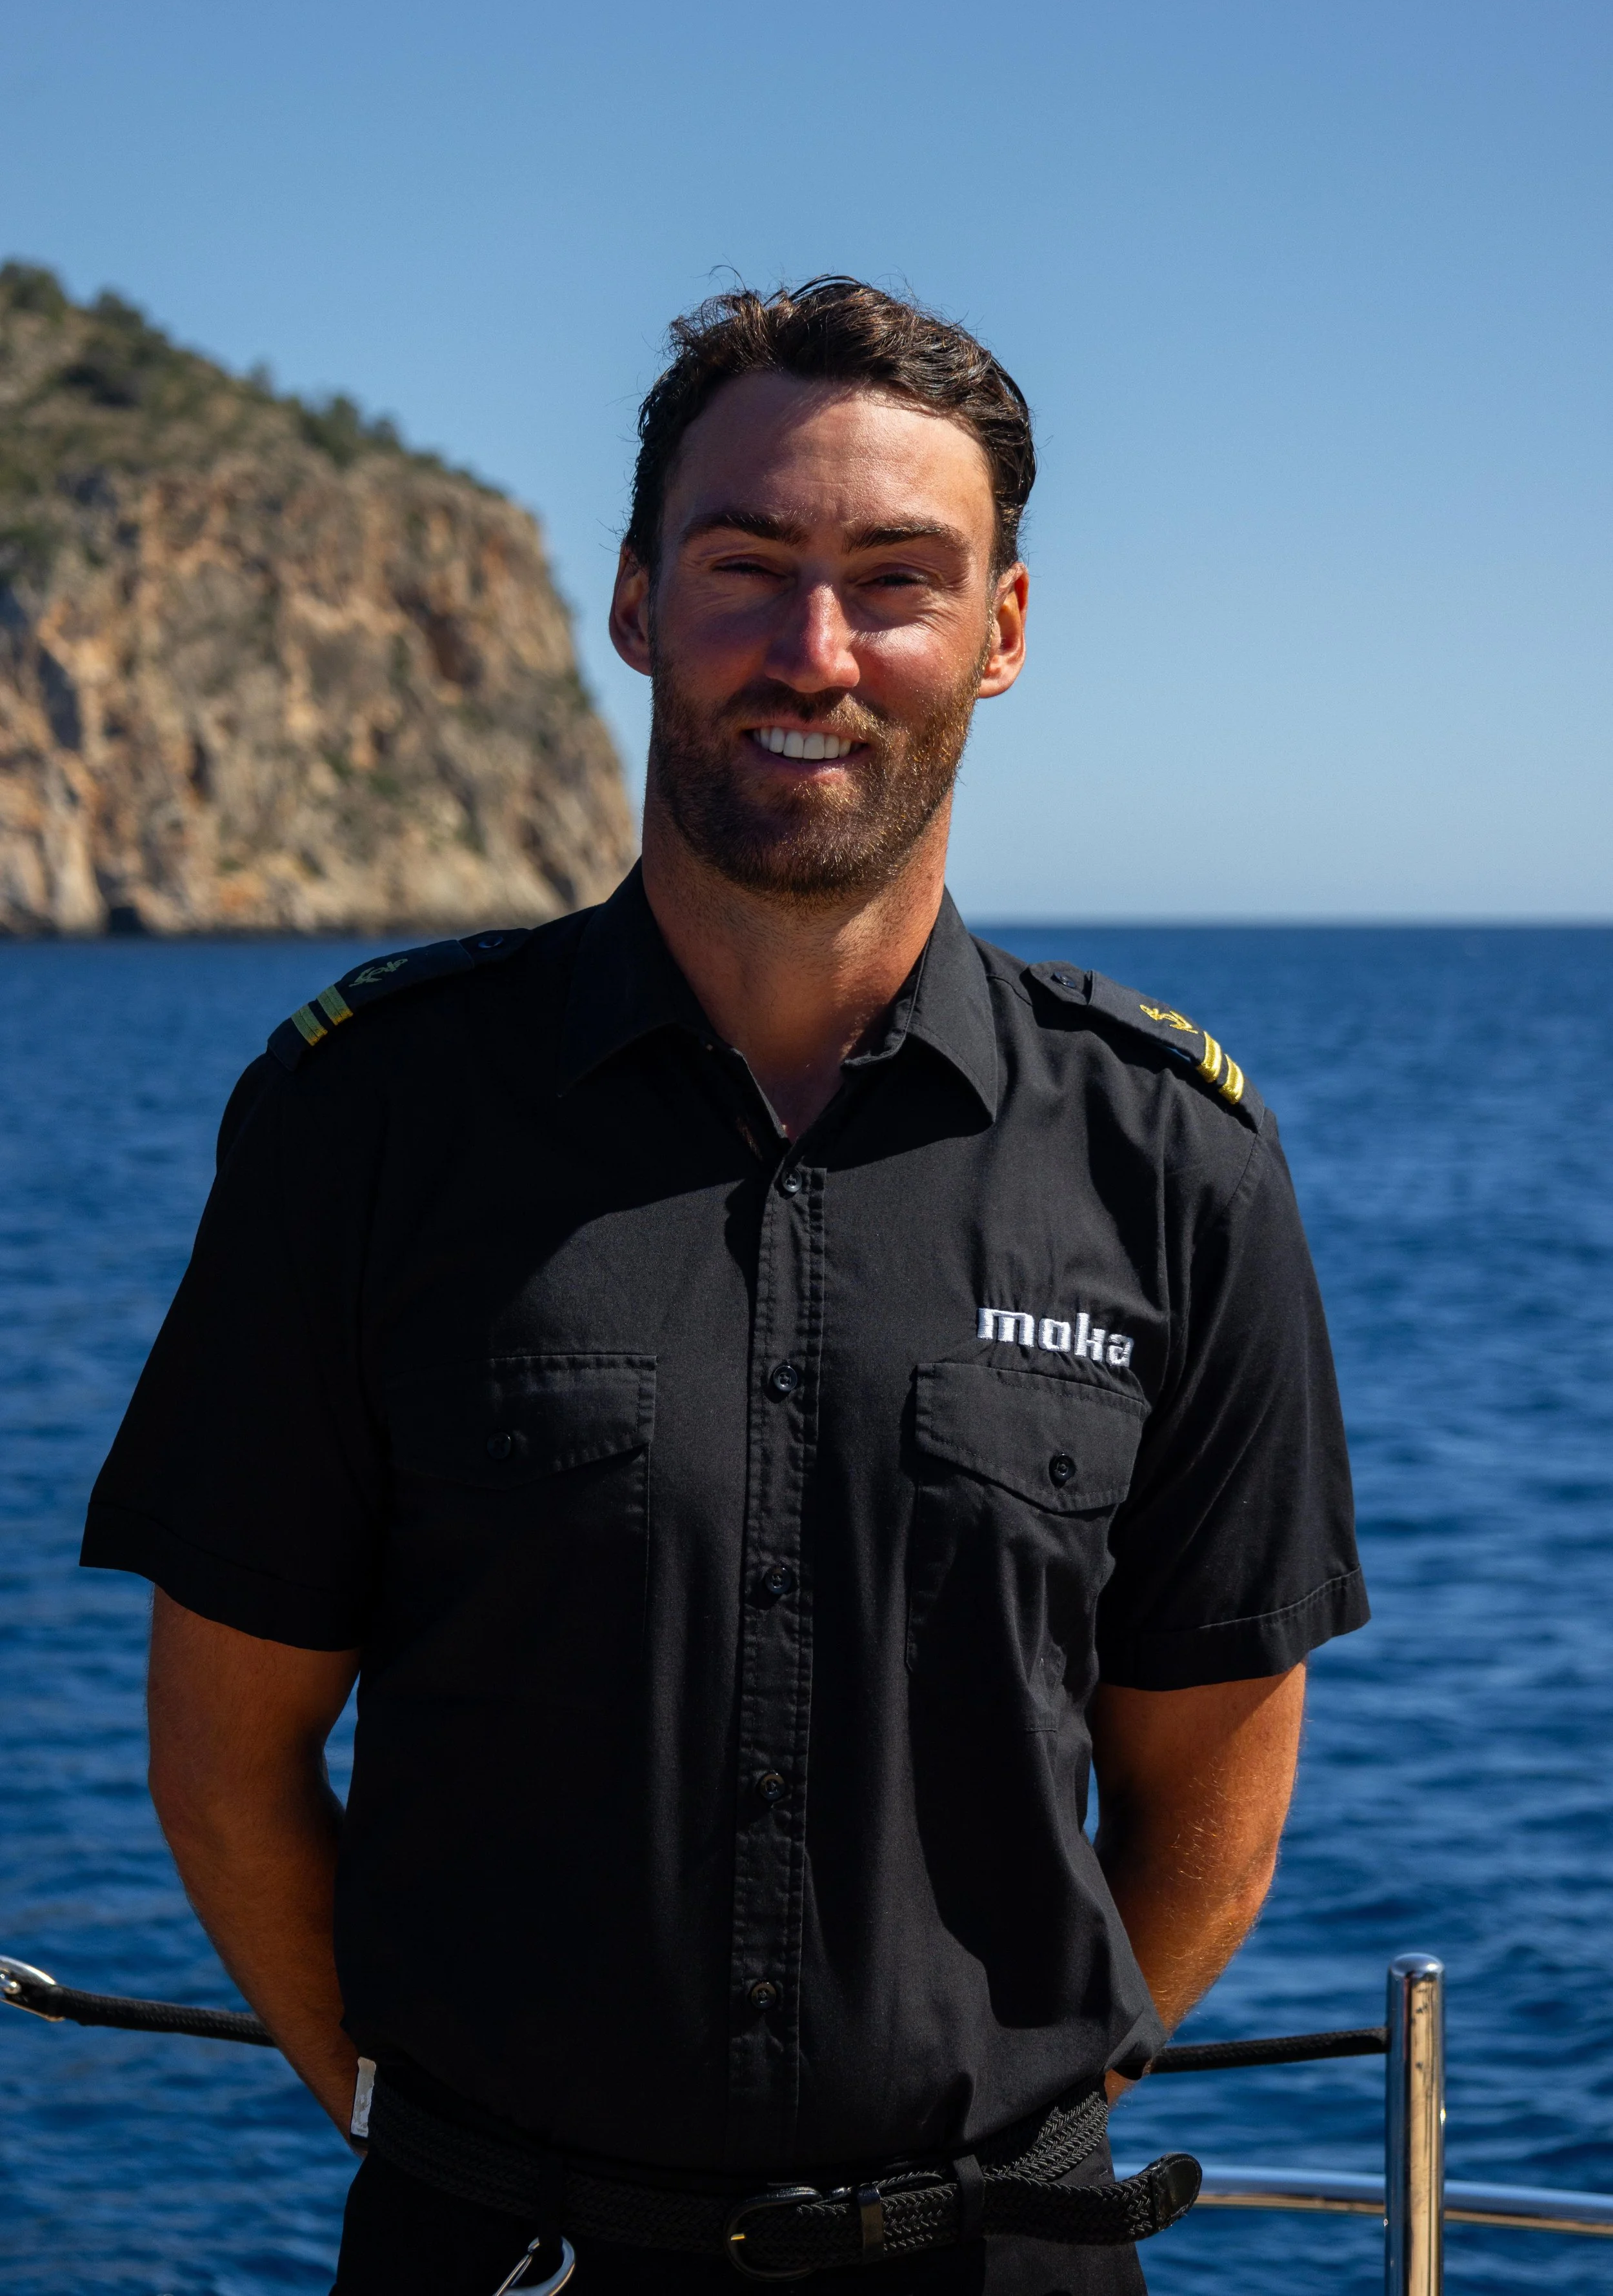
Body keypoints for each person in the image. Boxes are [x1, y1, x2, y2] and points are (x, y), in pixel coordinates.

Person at [82, 277, 1368, 2296]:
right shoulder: (375, 1121)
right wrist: (436, 2138)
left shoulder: (1167, 1159)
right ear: (631, 601)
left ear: (1002, 633)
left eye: (896, 579)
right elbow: (226, 1757)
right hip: (496, 2256)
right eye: (748, 564)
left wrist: (993, 2135)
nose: (818, 650)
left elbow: (1211, 1787)